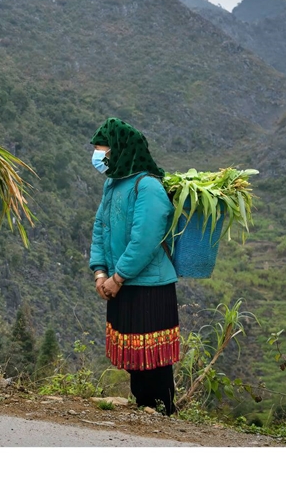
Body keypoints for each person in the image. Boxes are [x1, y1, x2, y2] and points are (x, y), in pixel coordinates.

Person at [88, 117, 179, 415]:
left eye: (103, 150)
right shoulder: (112, 185)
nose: (100, 157)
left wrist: (118, 276)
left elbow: (145, 239)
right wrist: (100, 272)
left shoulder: (148, 186)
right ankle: (143, 407)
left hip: (150, 286)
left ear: (121, 150)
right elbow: (100, 227)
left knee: (154, 355)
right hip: (120, 282)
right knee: (134, 354)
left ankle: (164, 411)